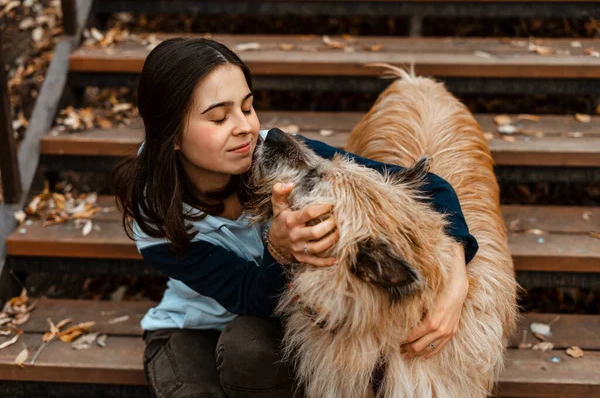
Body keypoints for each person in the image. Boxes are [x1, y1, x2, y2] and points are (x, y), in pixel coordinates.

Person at [112, 37, 478, 398]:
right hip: (194, 325)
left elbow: (431, 188)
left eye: (248, 107)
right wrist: (279, 249)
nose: (244, 128)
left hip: (269, 326)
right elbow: (247, 295)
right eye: (220, 117)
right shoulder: (155, 220)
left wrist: (455, 281)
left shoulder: (273, 151)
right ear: (171, 135)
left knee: (249, 351)